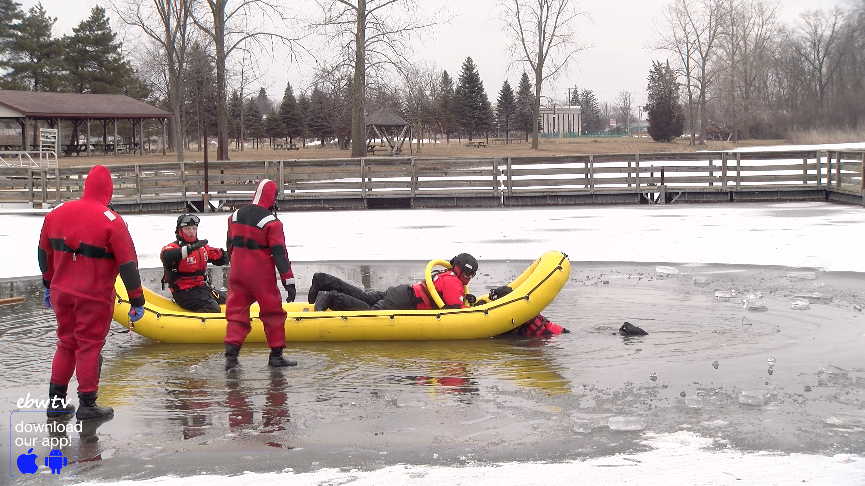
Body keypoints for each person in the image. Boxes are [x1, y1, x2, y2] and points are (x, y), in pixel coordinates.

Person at [38, 165, 146, 420]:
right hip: (93, 296)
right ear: (109, 190)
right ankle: (88, 404)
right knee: (89, 346)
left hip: (61, 292)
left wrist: (47, 284)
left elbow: (43, 252)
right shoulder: (112, 220)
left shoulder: (57, 213)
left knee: (66, 344)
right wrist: (137, 300)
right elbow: (128, 264)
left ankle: (56, 403)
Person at [223, 179, 298, 371]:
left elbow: (229, 246)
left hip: (238, 272)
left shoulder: (234, 216)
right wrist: (288, 281)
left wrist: (236, 265)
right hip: (260, 275)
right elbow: (279, 254)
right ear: (272, 197)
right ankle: (276, 356)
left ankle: (231, 359)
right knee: (273, 313)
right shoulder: (273, 223)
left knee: (236, 313)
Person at [309, 253, 478, 311]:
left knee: (365, 298)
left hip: (404, 293)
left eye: (473, 275)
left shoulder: (447, 275)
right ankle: (330, 297)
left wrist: (467, 299)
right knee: (371, 313)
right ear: (460, 268)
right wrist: (472, 307)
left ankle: (325, 280)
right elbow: (455, 312)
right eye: (469, 273)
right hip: (405, 299)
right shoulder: (452, 281)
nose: (470, 277)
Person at [160, 214, 228, 313]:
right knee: (211, 308)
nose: (191, 232)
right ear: (180, 230)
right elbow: (166, 257)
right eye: (187, 229)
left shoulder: (201, 248)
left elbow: (218, 256)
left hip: (201, 288)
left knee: (229, 301)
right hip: (183, 292)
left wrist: (231, 253)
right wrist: (188, 250)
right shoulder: (173, 248)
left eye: (194, 228)